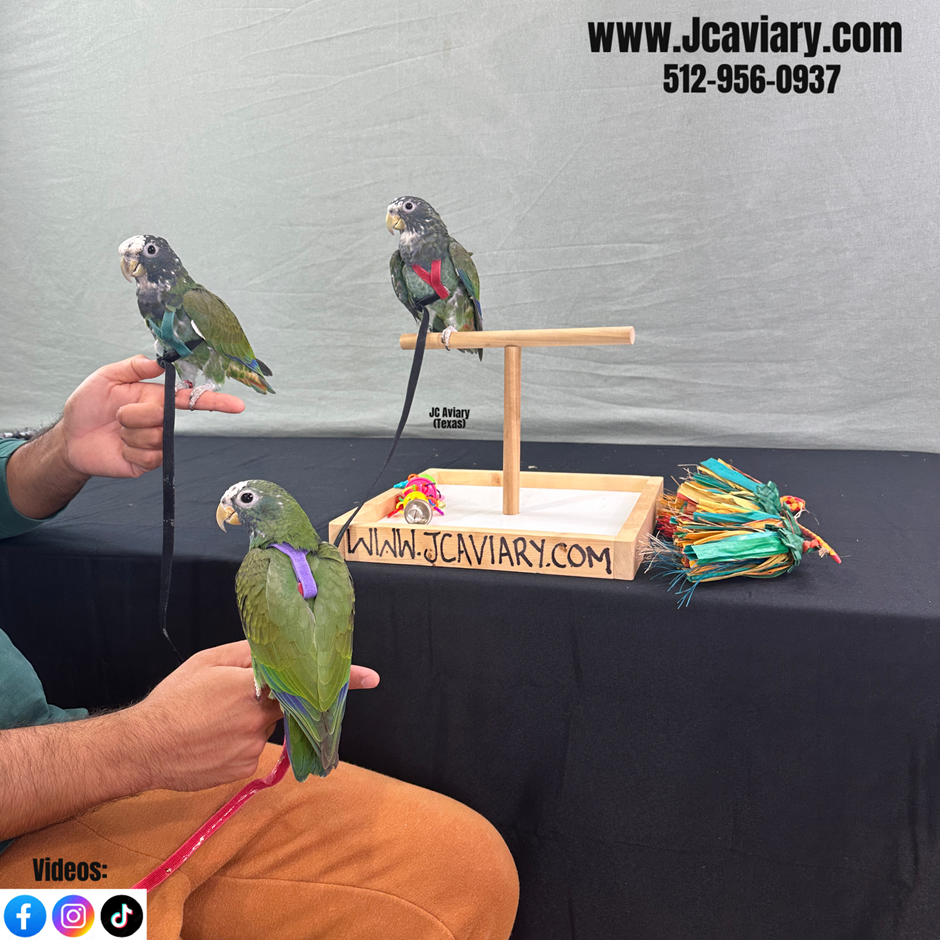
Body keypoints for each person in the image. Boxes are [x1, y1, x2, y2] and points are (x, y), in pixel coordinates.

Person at [0, 356, 518, 940]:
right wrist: (138, 745)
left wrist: (57, 450)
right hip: (32, 824)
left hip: (58, 752)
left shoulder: (312, 564)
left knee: (464, 870)